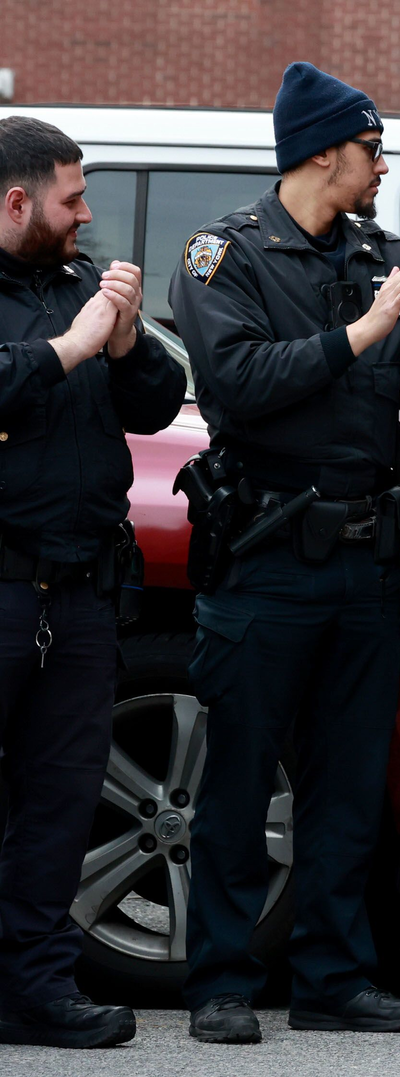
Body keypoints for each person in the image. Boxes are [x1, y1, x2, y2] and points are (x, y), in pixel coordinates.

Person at [169, 62, 400, 1043]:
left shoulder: (376, 252)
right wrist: (363, 332)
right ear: (322, 152)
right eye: (372, 149)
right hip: (265, 555)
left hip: (361, 561)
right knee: (237, 778)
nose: (383, 166)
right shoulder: (228, 254)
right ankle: (221, 981)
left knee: (349, 784)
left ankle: (333, 978)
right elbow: (239, 381)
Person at [0, 117, 185, 1049]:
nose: (86, 215)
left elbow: (154, 405)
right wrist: (70, 348)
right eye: (71, 199)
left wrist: (124, 345)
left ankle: (34, 988)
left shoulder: (81, 283)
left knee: (61, 798)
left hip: (75, 592)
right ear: (16, 201)